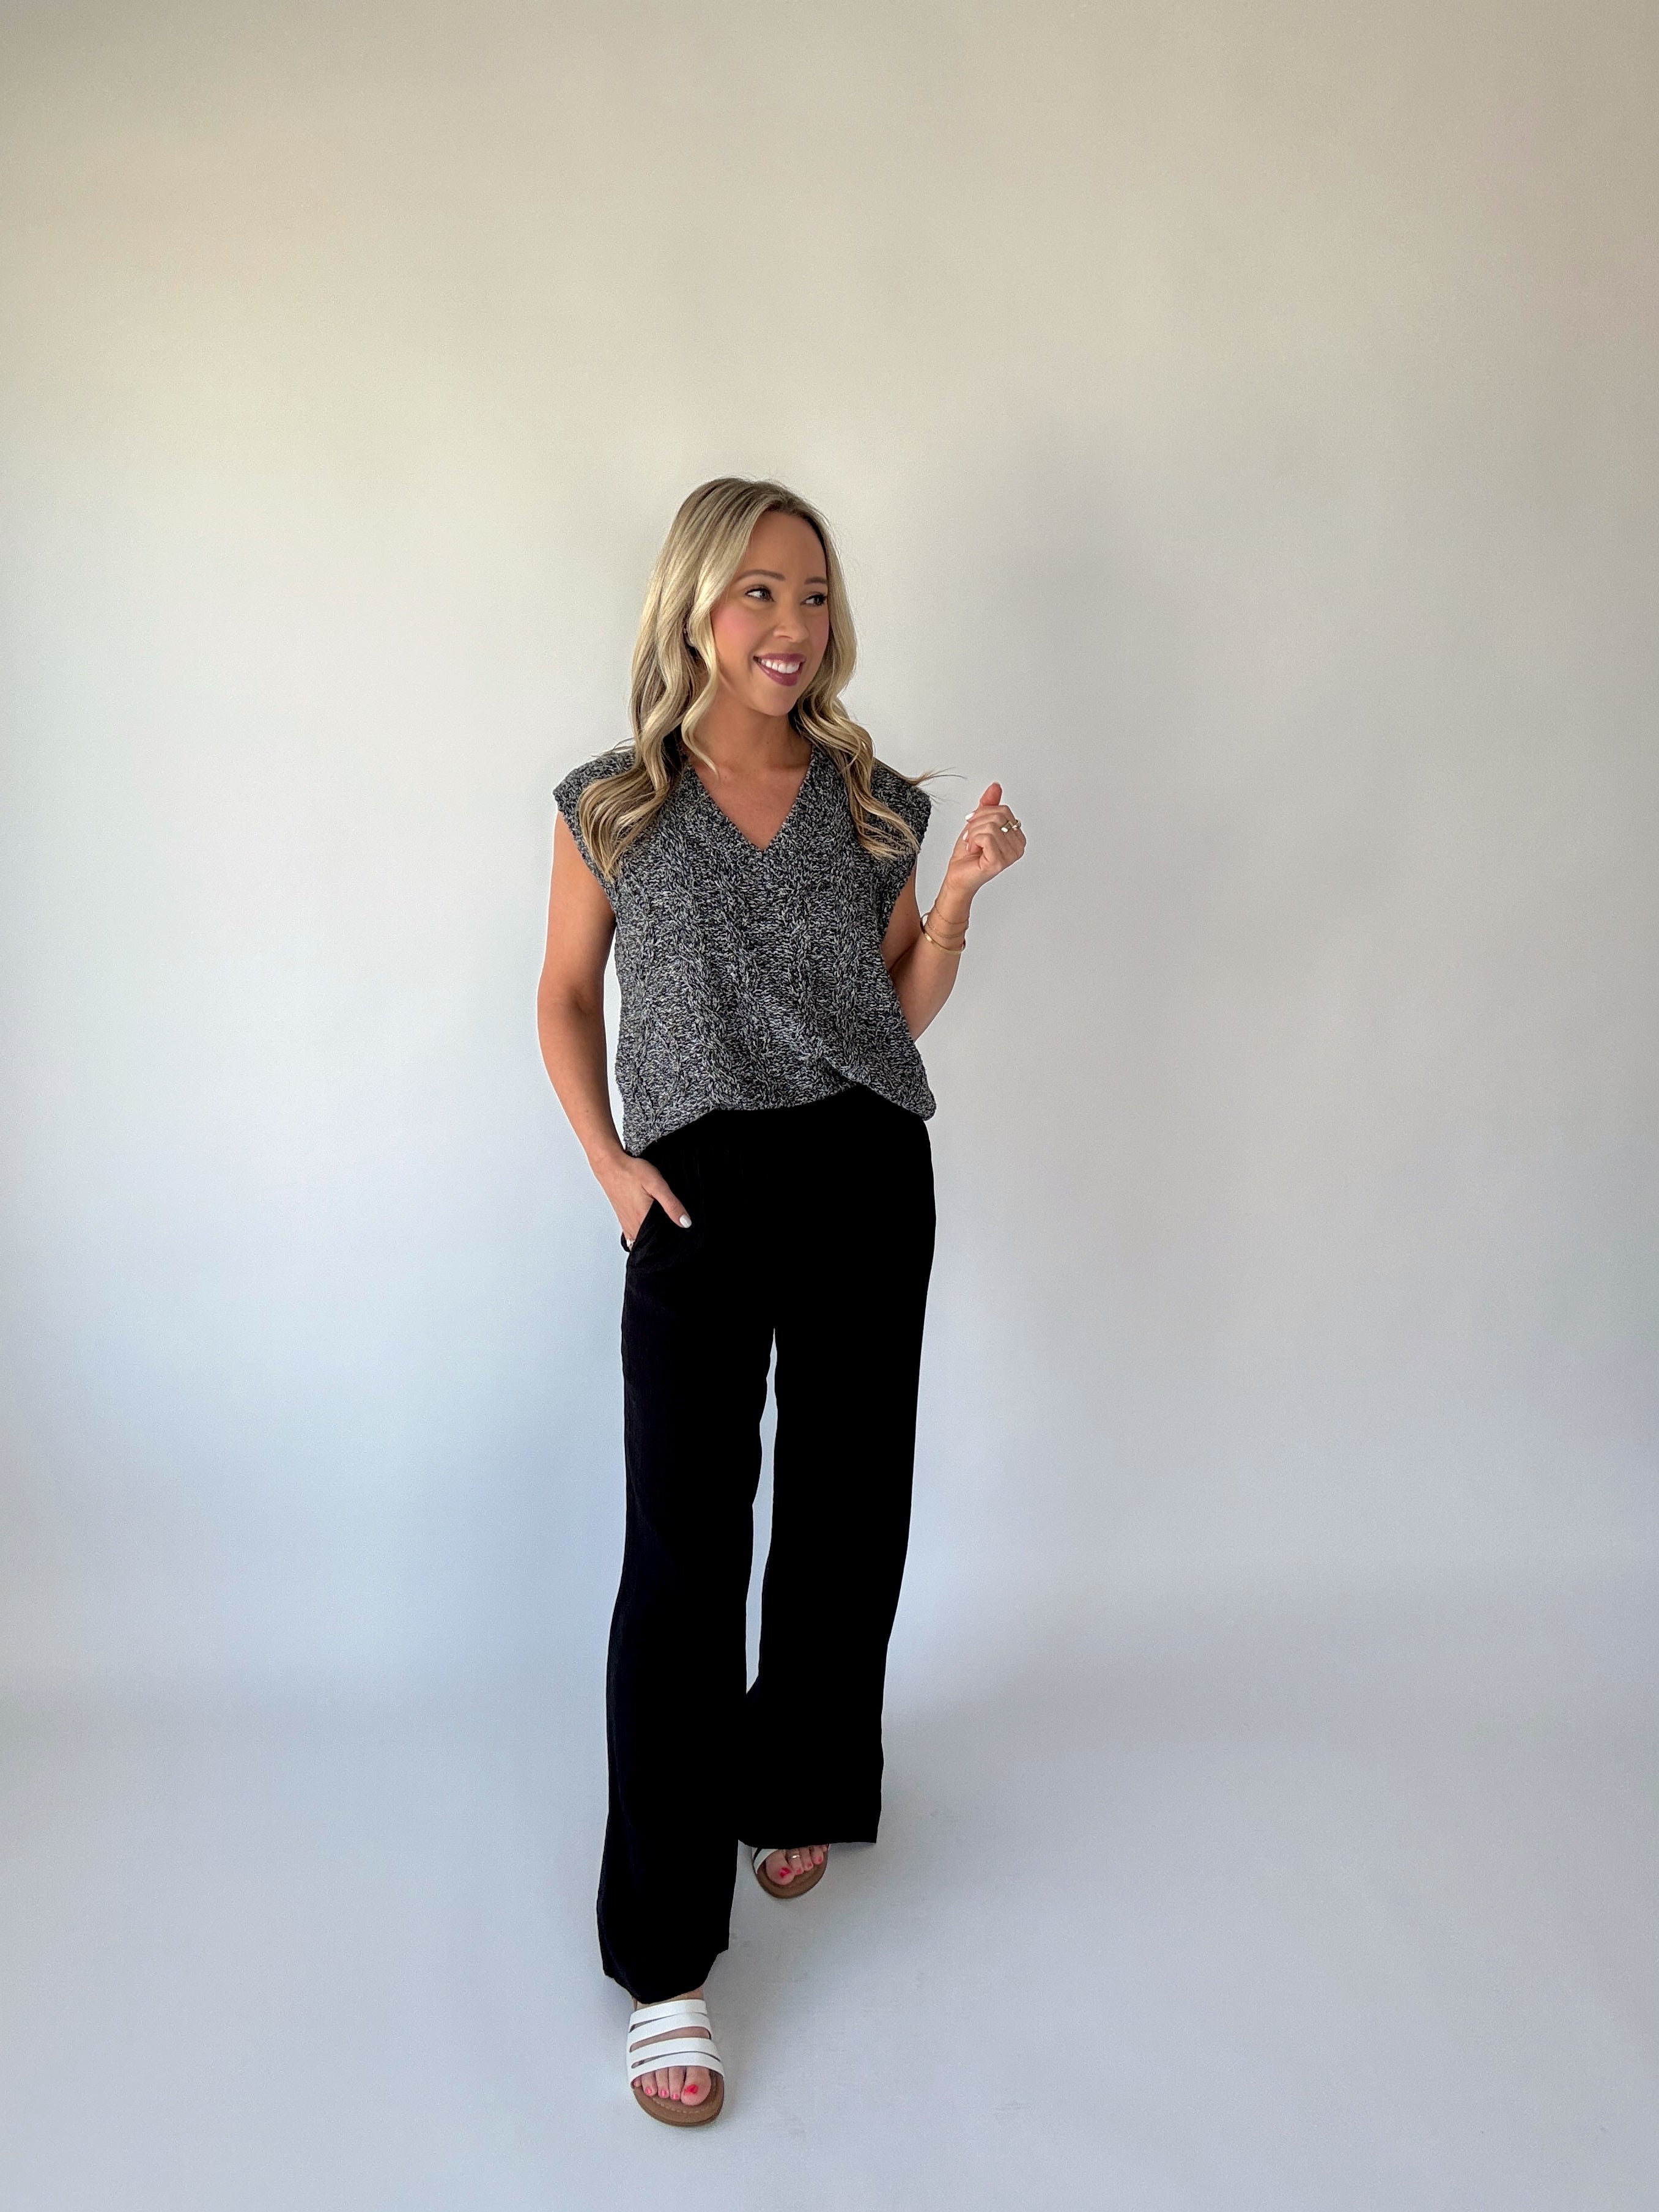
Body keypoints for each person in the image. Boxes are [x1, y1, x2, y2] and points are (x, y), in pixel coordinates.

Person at [536, 476, 1026, 2125]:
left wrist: (955, 900)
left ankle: (799, 1774)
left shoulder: (873, 801)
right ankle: (666, 1960)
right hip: (694, 1187)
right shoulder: (613, 803)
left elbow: (892, 1005)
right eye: (757, 590)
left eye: (811, 594)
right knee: (682, 1555)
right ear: (693, 603)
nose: (791, 624)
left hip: (863, 1169)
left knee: (843, 1501)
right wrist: (612, 1166)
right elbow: (562, 995)